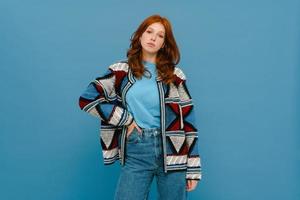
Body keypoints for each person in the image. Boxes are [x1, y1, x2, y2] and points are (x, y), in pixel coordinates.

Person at [79, 14, 202, 200]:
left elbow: (189, 121)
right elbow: (87, 99)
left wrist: (193, 168)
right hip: (137, 147)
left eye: (160, 35)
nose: (153, 38)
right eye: (149, 31)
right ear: (140, 35)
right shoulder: (120, 70)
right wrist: (125, 119)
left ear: (164, 43)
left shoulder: (175, 75)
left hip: (173, 151)